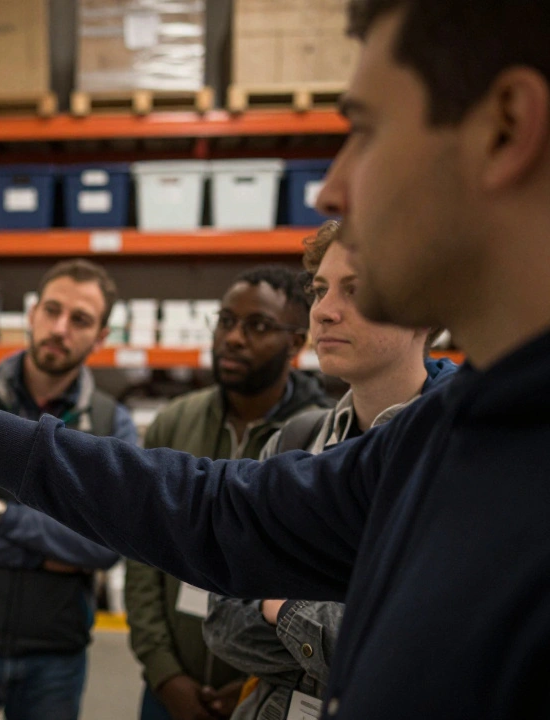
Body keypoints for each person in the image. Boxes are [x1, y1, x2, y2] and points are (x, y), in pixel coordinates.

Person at [0, 0, 550, 715]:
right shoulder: (446, 433)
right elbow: (213, 509)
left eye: (368, 129)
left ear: (505, 127)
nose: (331, 190)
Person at [200, 221, 457, 720]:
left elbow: (425, 656)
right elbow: (221, 620)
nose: (323, 311)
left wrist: (282, 607)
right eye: (320, 289)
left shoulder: (465, 452)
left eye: (355, 290)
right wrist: (342, 635)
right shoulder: (296, 441)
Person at [0, 259, 136, 720]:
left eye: (79, 320)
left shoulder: (108, 424)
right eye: (52, 311)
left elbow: (106, 547)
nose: (60, 328)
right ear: (32, 315)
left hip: (54, 656)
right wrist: (52, 554)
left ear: (100, 337)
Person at [125, 266, 330, 720]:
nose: (234, 338)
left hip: (266, 692)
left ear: (296, 344)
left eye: (258, 326)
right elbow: (140, 556)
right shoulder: (174, 422)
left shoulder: (319, 441)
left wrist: (254, 680)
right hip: (166, 693)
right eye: (226, 321)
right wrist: (164, 673)